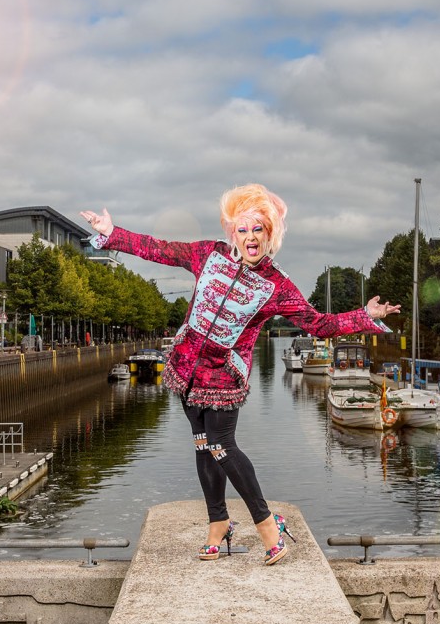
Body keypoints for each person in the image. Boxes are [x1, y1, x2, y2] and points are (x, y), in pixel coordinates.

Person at [81, 184, 399, 565]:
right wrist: (112, 234)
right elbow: (158, 249)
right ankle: (218, 523)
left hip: (223, 377)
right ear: (233, 231)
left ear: (270, 234)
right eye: (243, 229)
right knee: (203, 446)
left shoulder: (276, 286)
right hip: (186, 369)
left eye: (258, 229)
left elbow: (318, 324)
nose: (249, 238)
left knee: (222, 445)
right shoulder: (208, 254)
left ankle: (267, 524)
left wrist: (365, 316)